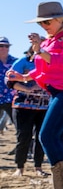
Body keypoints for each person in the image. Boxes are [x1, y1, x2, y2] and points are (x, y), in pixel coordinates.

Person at [7, 2, 63, 189]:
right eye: (41, 23)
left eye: (47, 22)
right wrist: (25, 77)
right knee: (55, 139)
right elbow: (44, 70)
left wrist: (39, 50)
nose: (44, 26)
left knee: (46, 136)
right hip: (59, 92)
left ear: (61, 19)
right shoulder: (48, 43)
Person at [6, 47, 49, 177]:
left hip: (44, 106)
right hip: (22, 105)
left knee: (41, 138)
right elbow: (10, 81)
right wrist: (27, 89)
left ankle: (38, 167)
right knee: (23, 136)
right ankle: (20, 167)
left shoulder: (49, 64)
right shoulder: (22, 62)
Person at [0, 37, 17, 137]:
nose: (3, 48)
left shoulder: (15, 62)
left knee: (18, 125)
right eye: (1, 46)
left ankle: (25, 150)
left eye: (6, 46)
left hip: (11, 98)